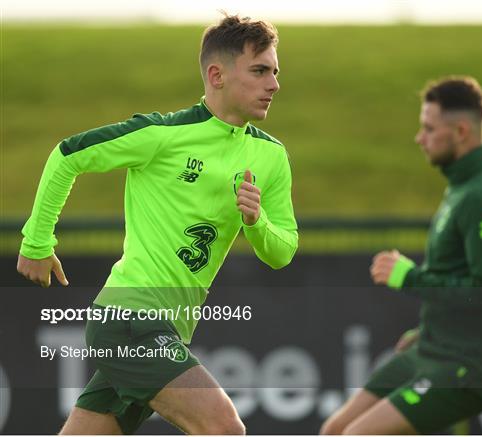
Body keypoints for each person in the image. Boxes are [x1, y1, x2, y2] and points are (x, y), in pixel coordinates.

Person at [17, 14, 298, 435]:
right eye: (259, 71)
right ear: (216, 75)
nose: (273, 84)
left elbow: (282, 251)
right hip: (129, 319)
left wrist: (255, 222)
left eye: (275, 72)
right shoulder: (161, 135)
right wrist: (37, 242)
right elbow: (67, 155)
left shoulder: (271, 157)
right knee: (224, 428)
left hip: (170, 327)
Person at [320, 76, 482, 435]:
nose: (419, 138)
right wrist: (430, 329)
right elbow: (459, 273)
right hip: (434, 346)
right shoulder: (462, 186)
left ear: (461, 131)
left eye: (429, 128)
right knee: (334, 430)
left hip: (468, 366)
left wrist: (409, 277)